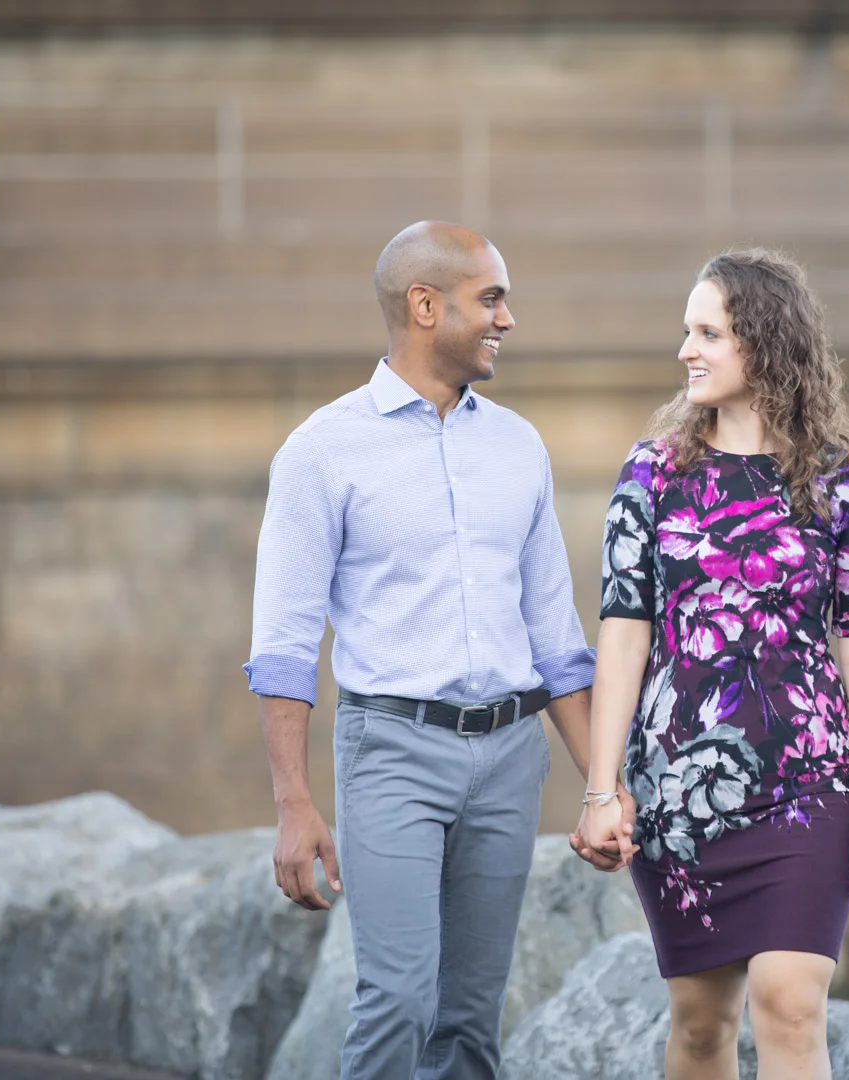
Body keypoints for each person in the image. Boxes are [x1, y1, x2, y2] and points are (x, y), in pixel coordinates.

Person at [246, 220, 621, 1080]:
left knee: (471, 1020)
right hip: (392, 754)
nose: (507, 319)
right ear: (425, 306)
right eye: (491, 299)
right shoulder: (321, 451)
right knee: (399, 1001)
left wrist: (603, 788)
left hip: (510, 757)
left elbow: (557, 642)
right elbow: (283, 645)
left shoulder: (519, 446)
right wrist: (294, 805)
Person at [576, 249, 849, 1080]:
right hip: (682, 789)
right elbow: (623, 634)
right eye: (688, 331)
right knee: (699, 1023)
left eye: (709, 333)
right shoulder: (652, 474)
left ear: (764, 342)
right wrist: (603, 789)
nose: (686, 350)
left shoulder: (842, 481)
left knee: (791, 1003)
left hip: (809, 781)